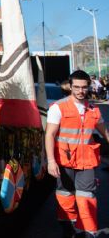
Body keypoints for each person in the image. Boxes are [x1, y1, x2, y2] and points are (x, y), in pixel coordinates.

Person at [45, 70, 109, 238]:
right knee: (65, 195)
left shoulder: (94, 110)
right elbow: (50, 134)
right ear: (70, 86)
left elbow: (105, 132)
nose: (81, 91)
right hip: (64, 160)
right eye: (77, 87)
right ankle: (69, 226)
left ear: (89, 87)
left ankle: (88, 233)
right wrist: (51, 161)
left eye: (84, 87)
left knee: (87, 197)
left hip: (86, 161)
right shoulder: (58, 107)